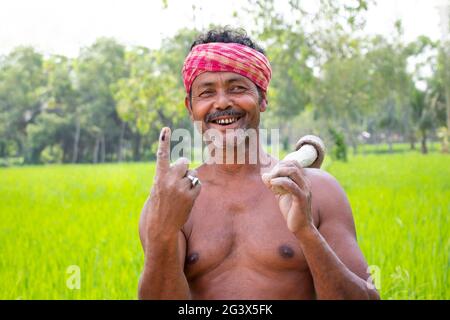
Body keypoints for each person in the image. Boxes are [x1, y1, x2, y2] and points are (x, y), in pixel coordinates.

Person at [138, 27, 380, 300]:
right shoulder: (171, 203)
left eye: (237, 88)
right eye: (206, 93)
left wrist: (306, 232)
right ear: (190, 106)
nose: (222, 102)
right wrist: (163, 234)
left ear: (263, 99)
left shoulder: (316, 191)